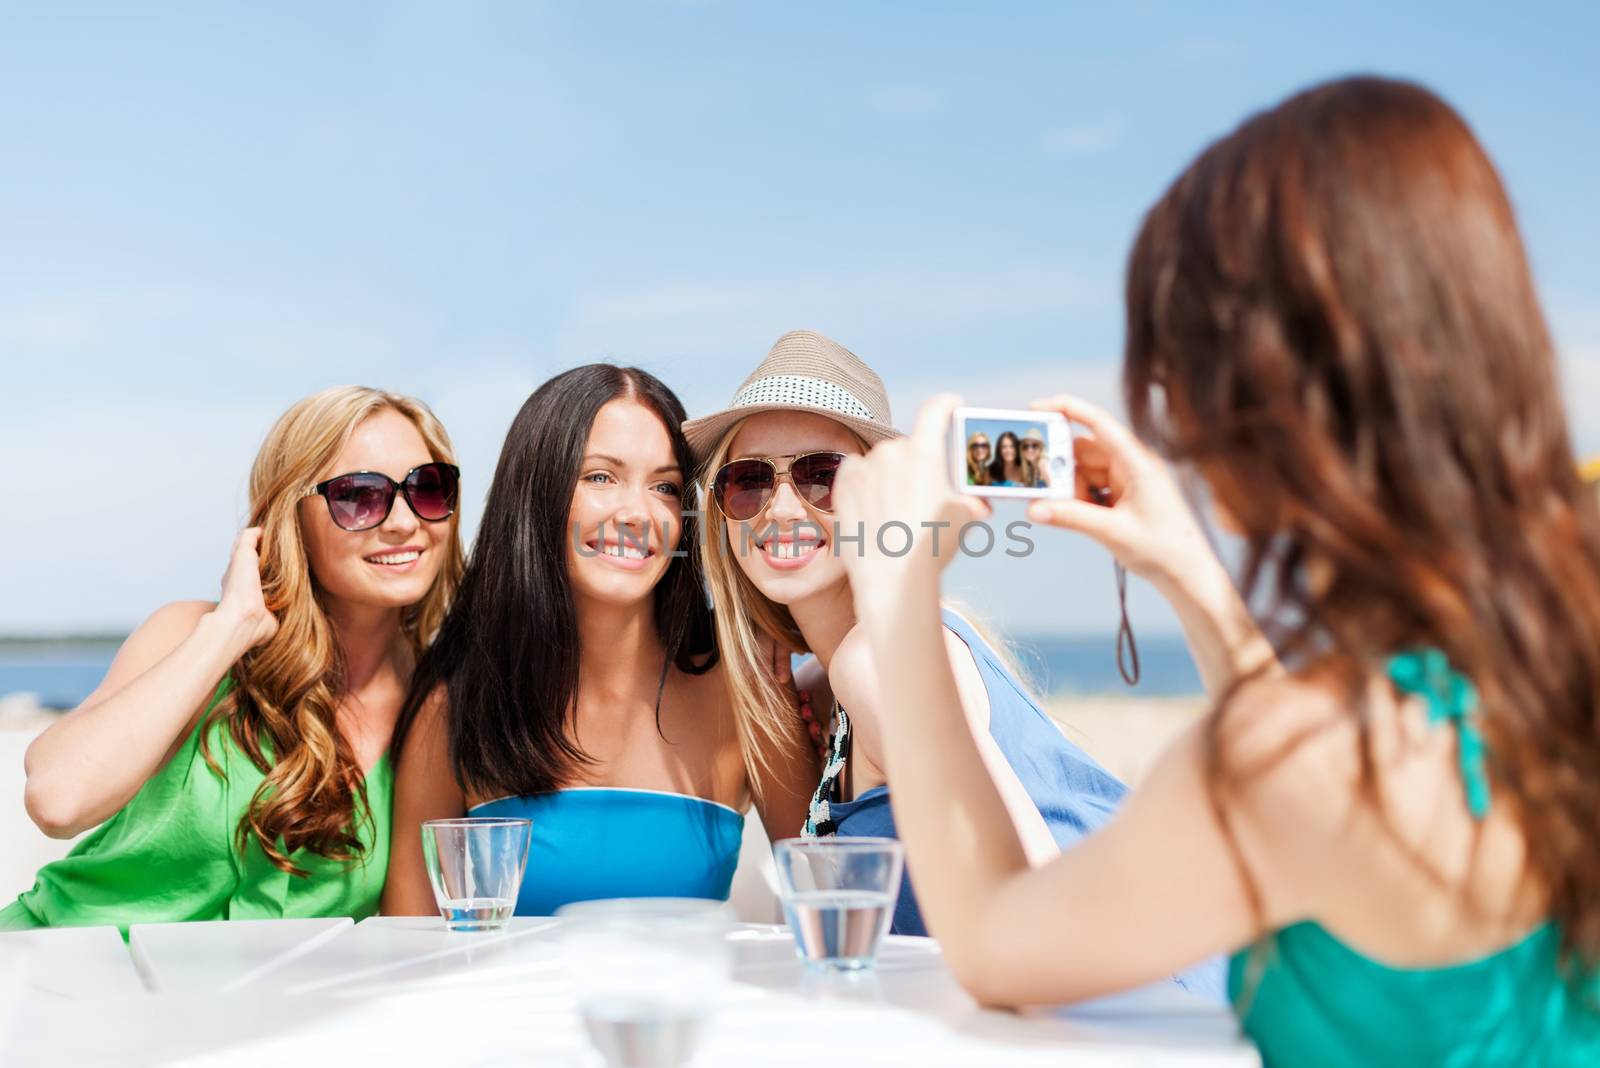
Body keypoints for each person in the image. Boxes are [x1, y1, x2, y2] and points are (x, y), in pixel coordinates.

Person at [829, 77, 1600, 1065]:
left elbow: (991, 943)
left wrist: (897, 594)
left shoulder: (1299, 762)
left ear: (1251, 390)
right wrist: (1192, 578)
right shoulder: (1537, 667)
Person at [684, 329, 1230, 1000]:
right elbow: (820, 888)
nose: (783, 507)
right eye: (748, 482)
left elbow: (1039, 923)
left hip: (1133, 1018)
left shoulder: (874, 662)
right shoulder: (831, 685)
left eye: (823, 477)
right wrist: (767, 684)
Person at [4, 387, 465, 932]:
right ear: (292, 517)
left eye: (427, 489)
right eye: (359, 496)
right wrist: (232, 627)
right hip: (50, 979)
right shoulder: (190, 635)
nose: (404, 521)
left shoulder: (435, 709)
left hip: (240, 1014)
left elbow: (409, 935)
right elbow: (58, 800)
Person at [382, 365, 815, 918]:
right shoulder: (455, 704)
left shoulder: (747, 688)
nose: (637, 513)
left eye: (664, 487)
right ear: (535, 493)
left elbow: (830, 892)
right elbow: (405, 947)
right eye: (600, 477)